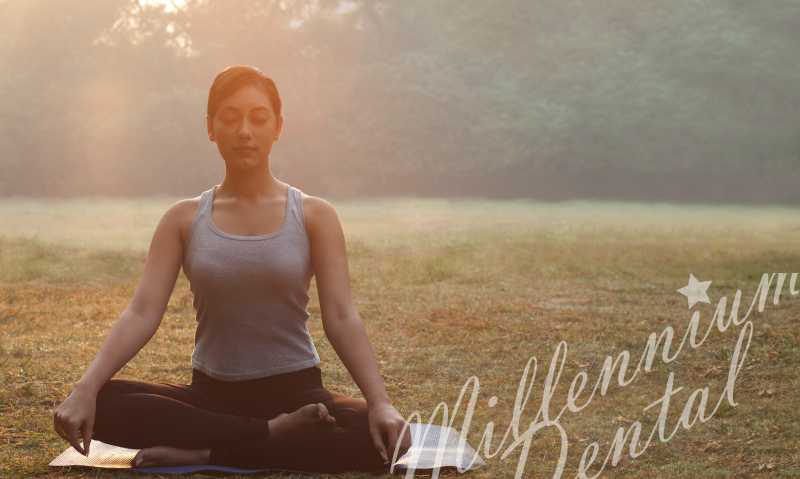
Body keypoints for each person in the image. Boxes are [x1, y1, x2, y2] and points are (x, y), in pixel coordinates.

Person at [53, 65, 411, 473]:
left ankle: (211, 454)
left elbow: (342, 315)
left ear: (278, 126)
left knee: (384, 438)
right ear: (210, 127)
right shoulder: (183, 219)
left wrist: (381, 403)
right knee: (103, 402)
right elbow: (141, 312)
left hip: (296, 390)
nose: (244, 131)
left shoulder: (314, 214)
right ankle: (269, 434)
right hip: (211, 396)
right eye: (230, 118)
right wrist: (85, 387)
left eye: (259, 119)